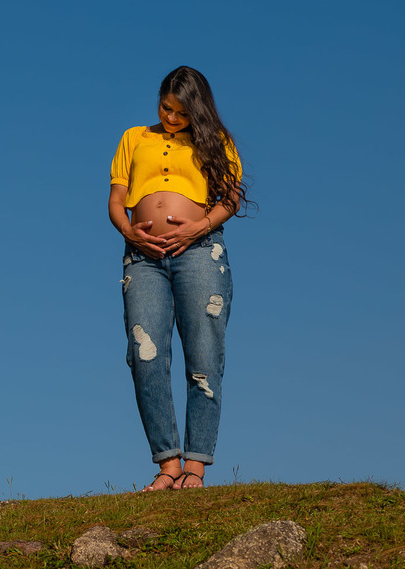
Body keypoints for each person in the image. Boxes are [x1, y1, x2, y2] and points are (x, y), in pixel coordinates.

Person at [108, 66, 250, 492]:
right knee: (144, 354)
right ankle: (167, 464)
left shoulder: (216, 141)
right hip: (143, 256)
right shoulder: (134, 138)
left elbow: (232, 197)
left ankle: (196, 468)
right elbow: (117, 199)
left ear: (197, 111)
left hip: (201, 252)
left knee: (204, 356)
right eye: (166, 109)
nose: (172, 119)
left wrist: (197, 227)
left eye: (182, 114)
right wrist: (130, 231)